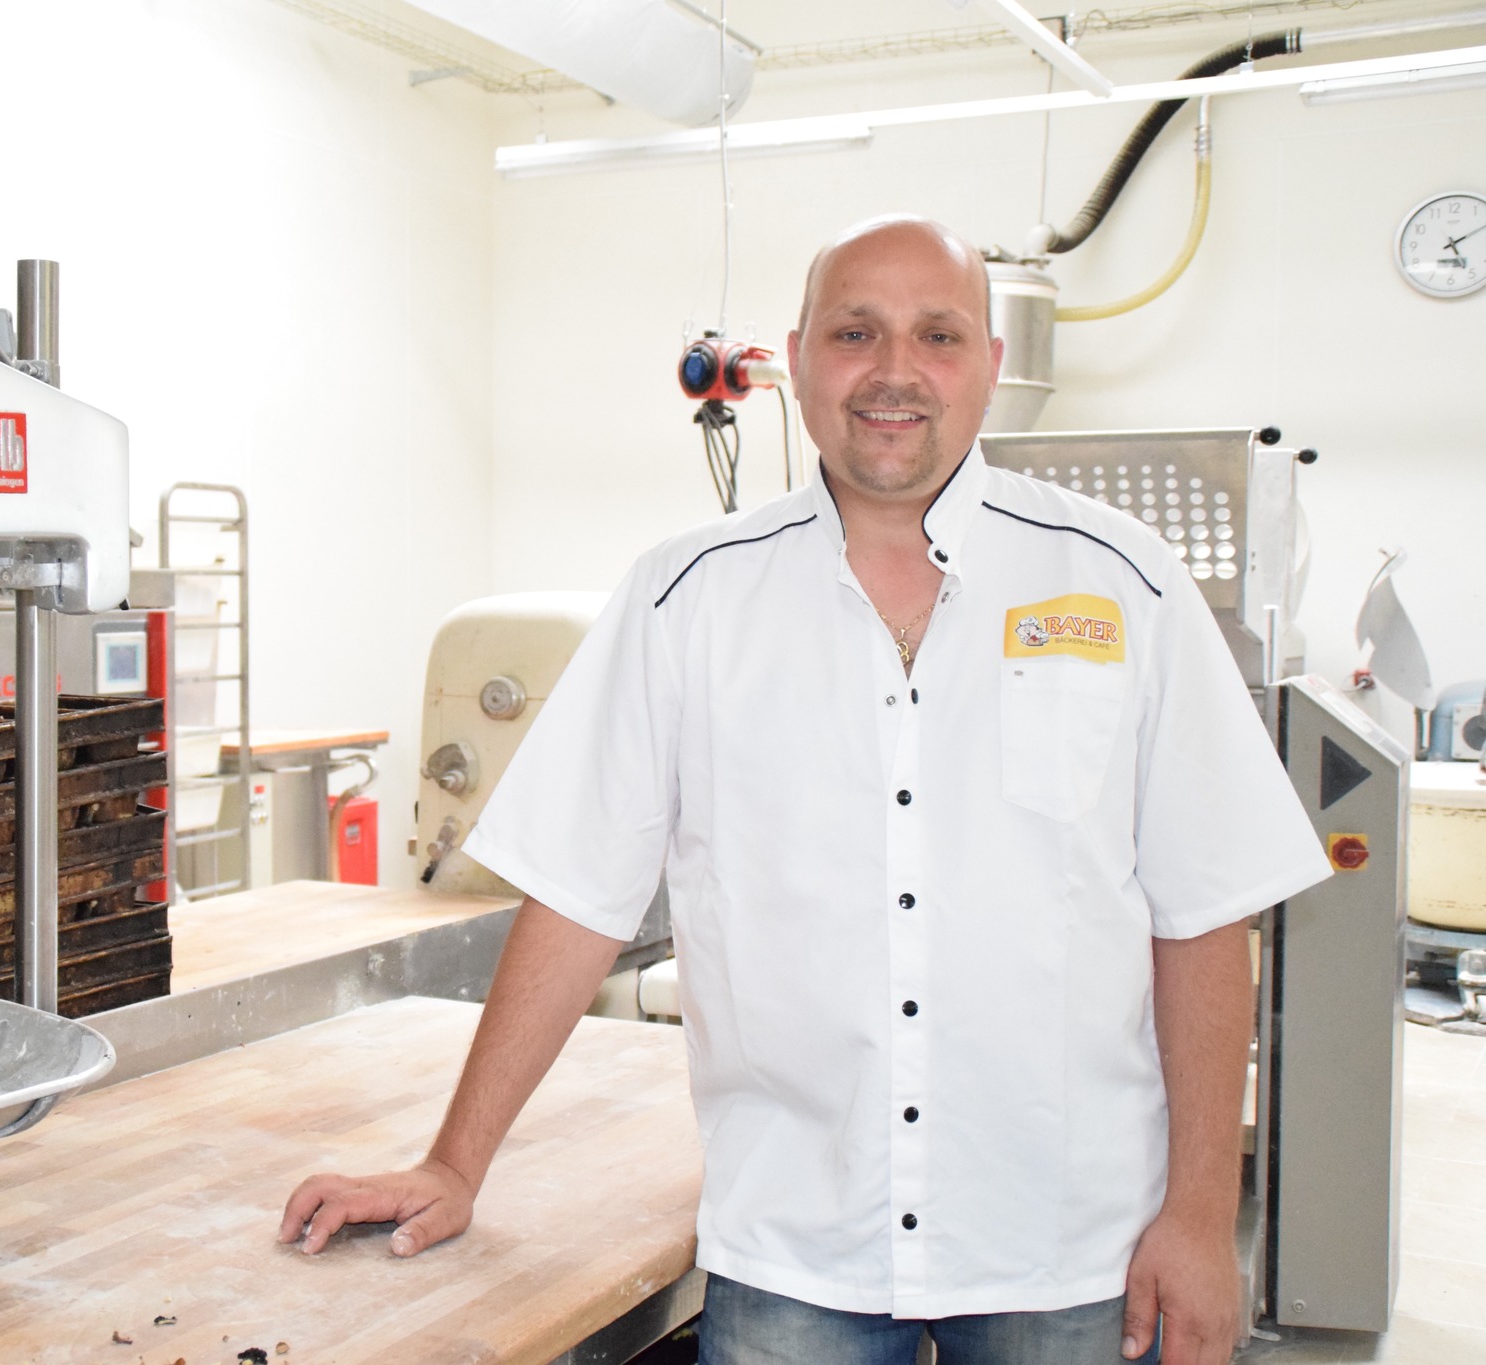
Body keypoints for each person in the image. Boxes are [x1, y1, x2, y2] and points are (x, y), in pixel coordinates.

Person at [279, 216, 1330, 1365]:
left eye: (935, 334)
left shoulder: (1124, 586)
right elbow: (578, 900)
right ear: (796, 357)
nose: (892, 371)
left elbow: (1199, 915)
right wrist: (452, 1162)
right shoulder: (685, 599)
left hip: (1067, 1241)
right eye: (853, 332)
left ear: (986, 361)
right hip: (798, 1241)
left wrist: (1191, 1217)